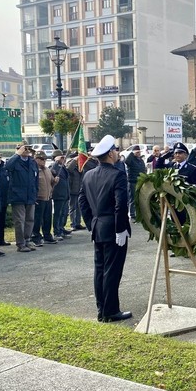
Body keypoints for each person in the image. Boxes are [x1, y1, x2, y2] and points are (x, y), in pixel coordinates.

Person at [78, 135, 132, 323]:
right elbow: (120, 205)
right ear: (110, 153)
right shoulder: (117, 175)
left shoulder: (89, 174)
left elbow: (82, 202)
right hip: (113, 228)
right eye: (115, 149)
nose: (117, 152)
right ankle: (110, 311)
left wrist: (91, 223)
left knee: (100, 269)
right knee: (112, 271)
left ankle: (102, 309)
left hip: (98, 227)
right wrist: (120, 228)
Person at [5, 141, 39, 252]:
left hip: (30, 196)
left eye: (28, 149)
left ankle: (27, 240)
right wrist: (17, 154)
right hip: (18, 196)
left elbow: (36, 180)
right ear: (18, 149)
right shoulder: (14, 161)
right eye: (24, 148)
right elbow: (7, 167)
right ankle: (20, 243)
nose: (27, 151)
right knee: (20, 221)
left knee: (30, 219)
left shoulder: (32, 162)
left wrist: (35, 195)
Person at [31, 151, 58, 246]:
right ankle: (36, 237)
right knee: (37, 219)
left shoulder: (47, 169)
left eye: (45, 159)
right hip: (39, 198)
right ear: (36, 159)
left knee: (47, 218)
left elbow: (51, 183)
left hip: (48, 197)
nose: (44, 161)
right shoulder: (33, 169)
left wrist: (54, 182)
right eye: (42, 159)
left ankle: (47, 235)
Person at [51, 150, 71, 240]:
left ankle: (61, 228)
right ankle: (56, 231)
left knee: (64, 213)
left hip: (65, 193)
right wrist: (56, 161)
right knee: (58, 213)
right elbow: (52, 172)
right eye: (62, 157)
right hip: (58, 194)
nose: (64, 159)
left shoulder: (62, 167)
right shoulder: (54, 166)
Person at [125, 145, 147, 222]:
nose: (138, 153)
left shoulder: (140, 160)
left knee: (139, 199)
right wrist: (132, 154)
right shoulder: (131, 160)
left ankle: (139, 214)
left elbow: (143, 170)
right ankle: (132, 215)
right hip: (132, 182)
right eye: (137, 152)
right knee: (133, 199)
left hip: (140, 182)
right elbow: (126, 161)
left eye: (139, 152)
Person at [66, 152, 86, 231]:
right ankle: (73, 224)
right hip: (72, 190)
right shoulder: (70, 165)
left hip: (79, 189)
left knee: (79, 208)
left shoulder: (80, 166)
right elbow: (69, 169)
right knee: (72, 208)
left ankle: (78, 223)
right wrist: (74, 160)